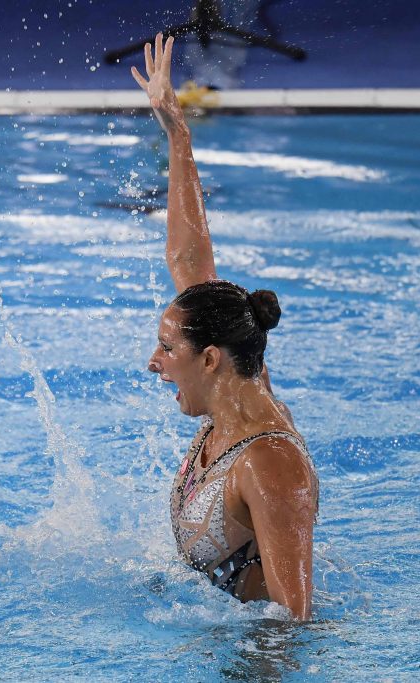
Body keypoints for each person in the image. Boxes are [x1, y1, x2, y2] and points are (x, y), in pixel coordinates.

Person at [131, 34, 318, 619]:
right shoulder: (238, 382)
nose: (153, 362)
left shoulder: (269, 464)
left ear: (209, 359)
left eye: (166, 348)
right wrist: (178, 136)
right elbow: (191, 262)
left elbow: (292, 621)